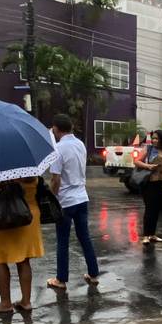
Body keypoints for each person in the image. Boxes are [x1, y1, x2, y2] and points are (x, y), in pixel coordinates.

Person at [47, 114, 100, 289]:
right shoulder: (80, 144)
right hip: (81, 197)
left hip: (65, 201)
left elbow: (56, 179)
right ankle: (93, 274)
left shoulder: (58, 149)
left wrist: (52, 198)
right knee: (84, 237)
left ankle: (61, 280)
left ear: (56, 128)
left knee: (62, 241)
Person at [0, 176, 43, 316]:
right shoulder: (30, 167)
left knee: (0, 259)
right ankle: (26, 301)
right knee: (24, 260)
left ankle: (5, 303)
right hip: (26, 214)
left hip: (2, 215)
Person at [135, 129, 162, 244]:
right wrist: (148, 166)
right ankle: (146, 235)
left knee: (156, 209)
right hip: (150, 182)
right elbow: (136, 161)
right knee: (150, 209)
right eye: (153, 138)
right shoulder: (149, 148)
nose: (155, 140)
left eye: (157, 138)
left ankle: (153, 234)